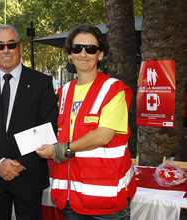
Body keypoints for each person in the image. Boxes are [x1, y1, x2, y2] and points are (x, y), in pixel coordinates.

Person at [36, 24, 137, 220]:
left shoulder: (113, 89)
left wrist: (61, 149)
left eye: (91, 49)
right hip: (70, 198)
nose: (83, 53)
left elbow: (103, 135)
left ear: (101, 55)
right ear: (69, 54)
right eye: (77, 48)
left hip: (106, 201)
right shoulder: (64, 92)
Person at [0, 25, 58, 220]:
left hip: (29, 175)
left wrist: (20, 164)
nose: (6, 50)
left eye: (11, 44)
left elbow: (49, 127)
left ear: (20, 47)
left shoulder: (42, 82)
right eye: (0, 46)